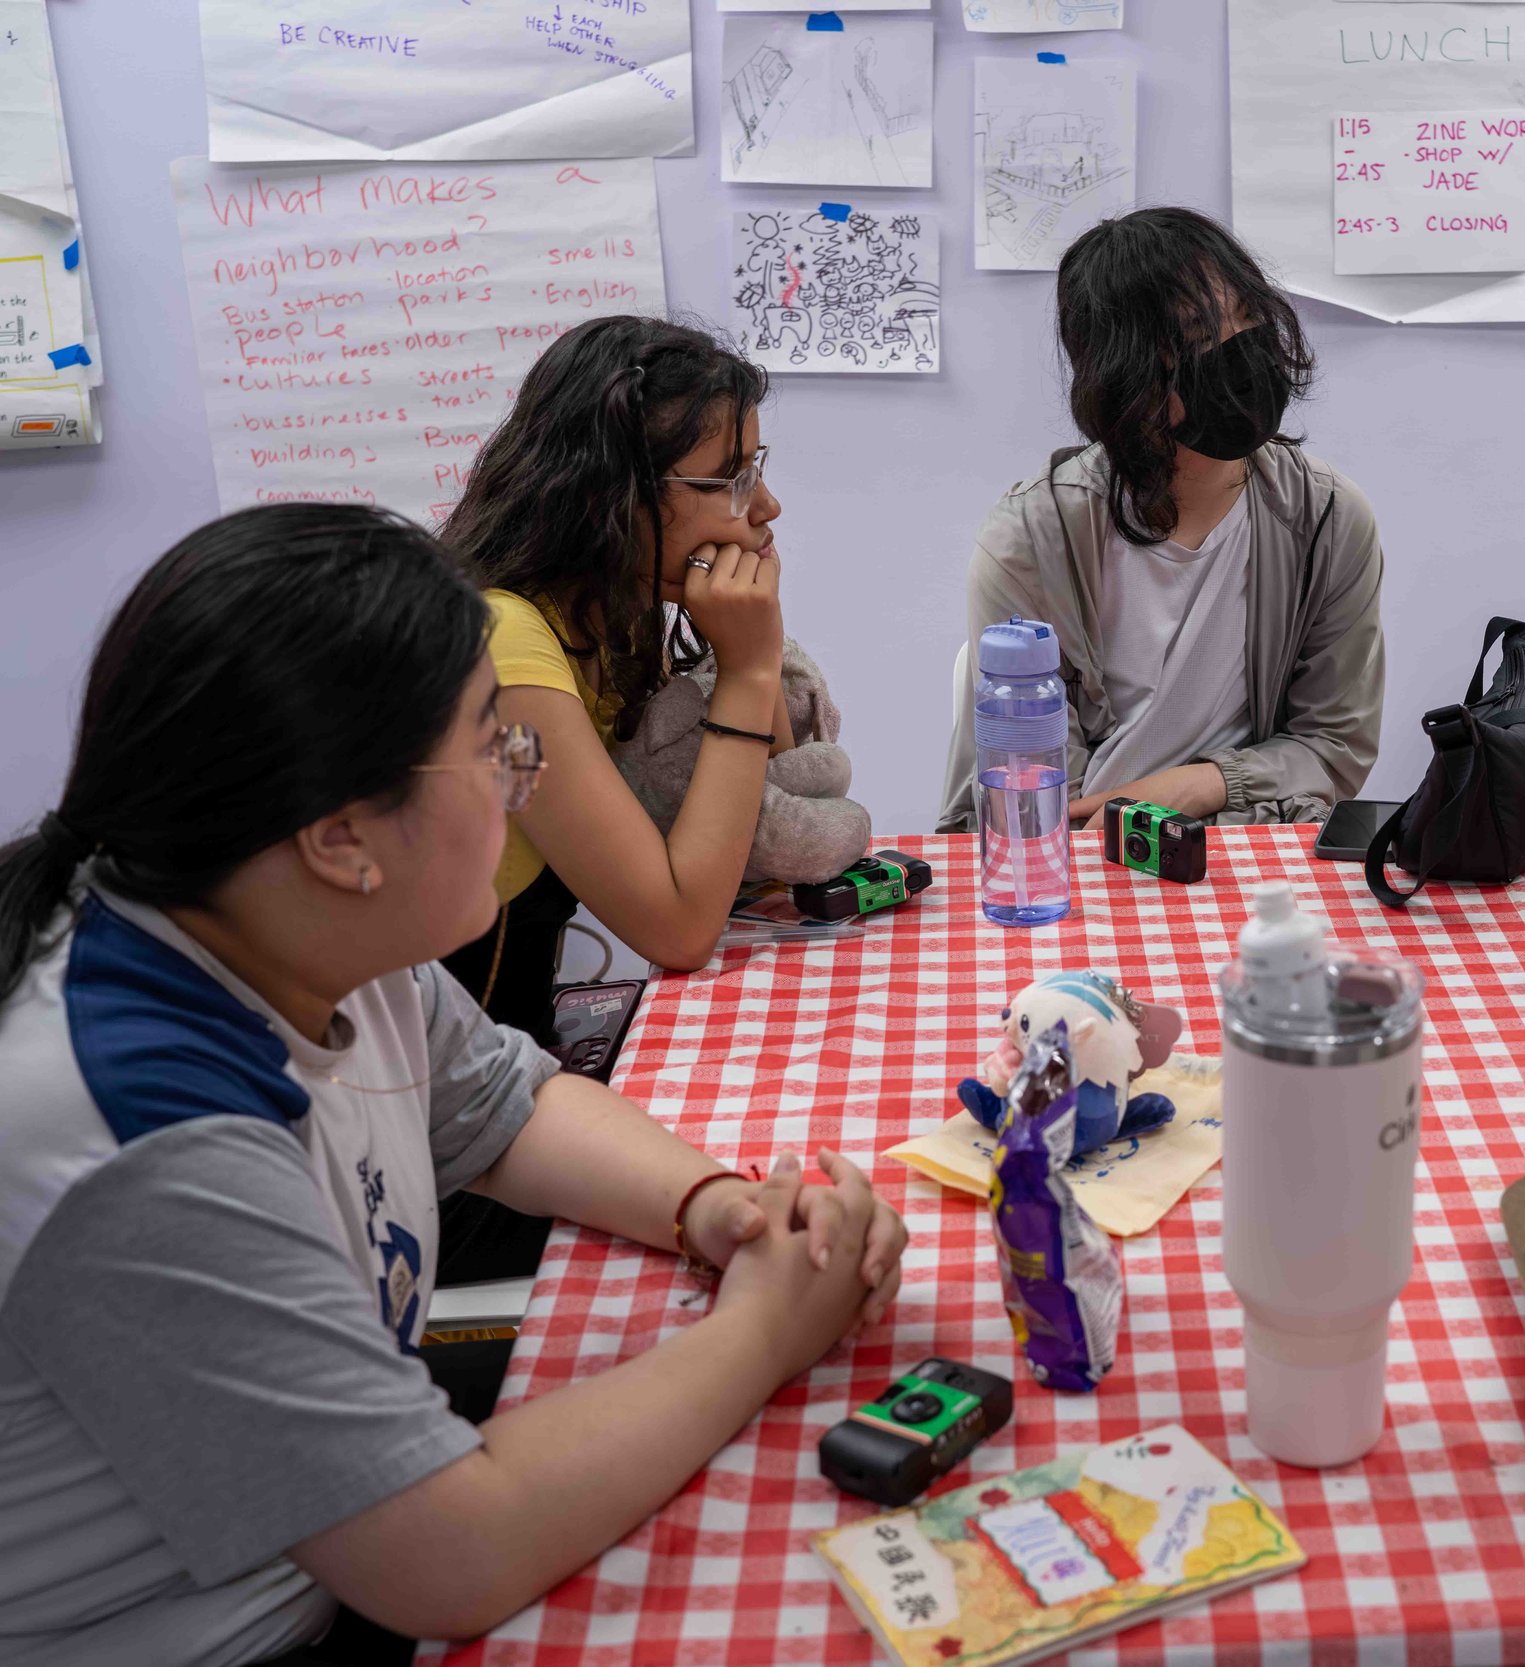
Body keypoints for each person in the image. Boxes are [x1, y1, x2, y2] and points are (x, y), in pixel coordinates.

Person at [0, 506, 904, 1667]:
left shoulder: (284, 921)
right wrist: (767, 1323)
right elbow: (452, 1551)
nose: (519, 777)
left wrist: (716, 1206)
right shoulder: (146, 1132)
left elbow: (503, 1105)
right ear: (341, 836)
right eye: (493, 745)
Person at [936, 207, 1386, 833]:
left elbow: (1336, 743)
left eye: (1249, 318)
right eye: (1201, 337)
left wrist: (1202, 784)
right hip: (1084, 857)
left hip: (1249, 840)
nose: (1242, 354)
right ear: (1124, 377)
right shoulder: (1033, 538)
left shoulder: (1325, 518)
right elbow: (1035, 789)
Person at [437, 316, 792, 1045]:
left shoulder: (612, 614)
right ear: (612, 494)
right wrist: (751, 669)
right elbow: (681, 927)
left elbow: (768, 816)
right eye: (733, 479)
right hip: (446, 1090)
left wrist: (750, 650)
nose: (765, 507)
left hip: (513, 1050)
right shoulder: (503, 648)